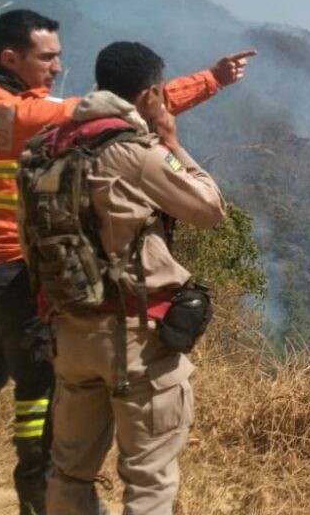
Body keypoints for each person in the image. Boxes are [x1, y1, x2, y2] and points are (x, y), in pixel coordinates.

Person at [0, 9, 254, 515]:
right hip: (17, 280)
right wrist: (204, 87)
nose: (57, 66)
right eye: (47, 57)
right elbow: (121, 117)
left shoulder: (15, 127)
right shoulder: (34, 120)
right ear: (10, 58)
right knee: (41, 400)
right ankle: (32, 499)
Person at [28, 41, 226, 515]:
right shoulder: (134, 153)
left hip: (69, 331)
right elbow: (210, 209)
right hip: (134, 339)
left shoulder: (44, 147)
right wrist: (173, 145)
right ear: (148, 96)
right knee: (149, 480)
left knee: (69, 471)